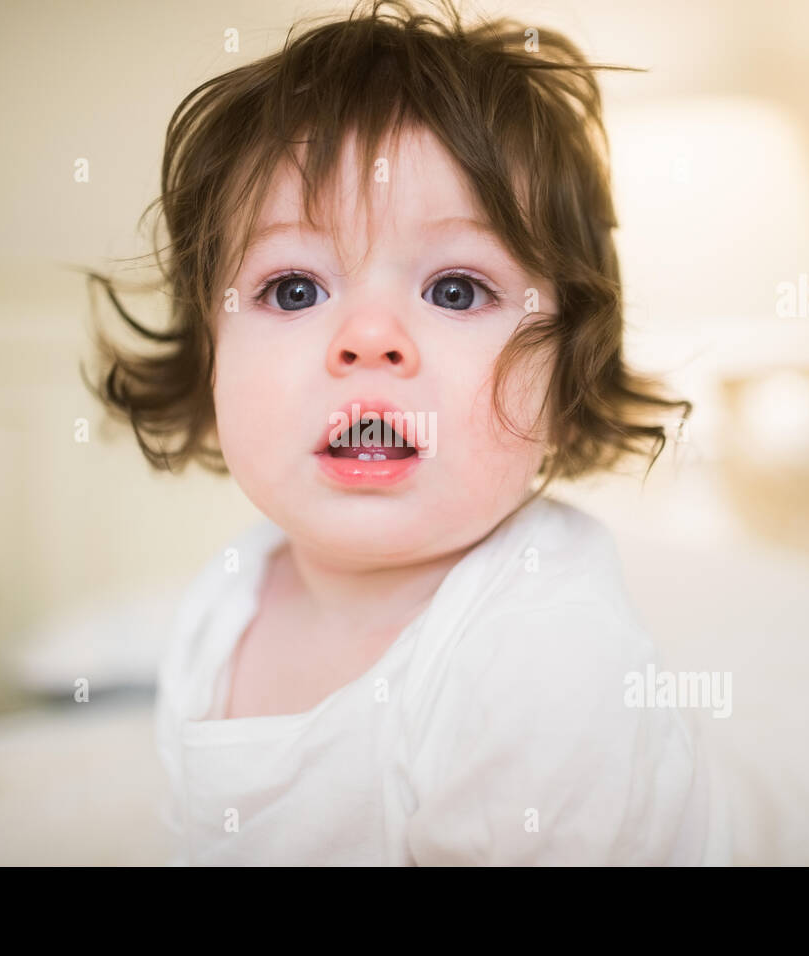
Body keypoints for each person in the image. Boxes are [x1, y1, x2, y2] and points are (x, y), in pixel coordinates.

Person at [87, 0, 731, 865]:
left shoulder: (545, 646)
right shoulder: (222, 604)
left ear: (567, 375)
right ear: (208, 357)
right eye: (293, 290)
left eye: (456, 290)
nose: (369, 337)